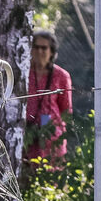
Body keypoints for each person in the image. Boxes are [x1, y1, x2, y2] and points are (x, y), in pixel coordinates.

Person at [24, 29, 73, 171]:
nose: (39, 51)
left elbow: (66, 109)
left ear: (51, 51)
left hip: (51, 138)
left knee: (51, 176)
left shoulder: (61, 75)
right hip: (27, 136)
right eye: (36, 47)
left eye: (44, 48)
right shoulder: (23, 73)